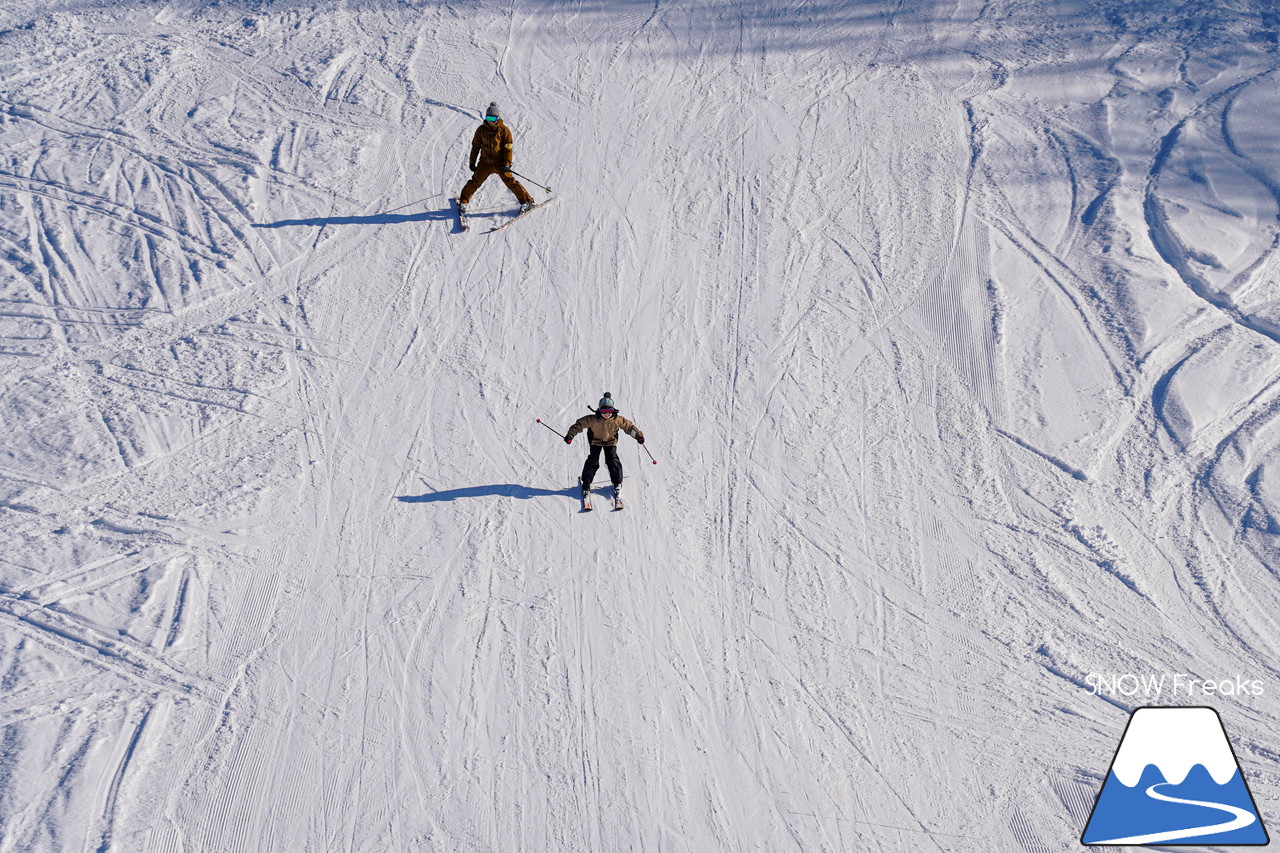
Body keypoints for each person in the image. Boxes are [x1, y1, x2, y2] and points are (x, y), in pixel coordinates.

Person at [458, 103, 535, 214]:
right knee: (475, 182)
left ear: (497, 118)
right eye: (488, 118)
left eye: (493, 118)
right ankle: (463, 202)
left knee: (510, 182)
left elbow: (508, 148)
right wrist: (472, 162)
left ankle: (527, 202)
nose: (490, 121)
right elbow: (475, 147)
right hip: (485, 163)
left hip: (500, 163)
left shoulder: (504, 130)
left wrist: (507, 164)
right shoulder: (481, 130)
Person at [564, 393, 645, 499]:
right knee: (593, 460)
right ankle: (586, 484)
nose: (607, 414)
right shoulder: (593, 419)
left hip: (610, 441)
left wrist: (638, 436)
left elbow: (629, 427)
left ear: (613, 411)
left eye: (609, 412)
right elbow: (579, 425)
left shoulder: (617, 419)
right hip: (595, 441)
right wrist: (570, 435)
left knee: (612, 460)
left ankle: (617, 483)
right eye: (604, 411)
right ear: (599, 410)